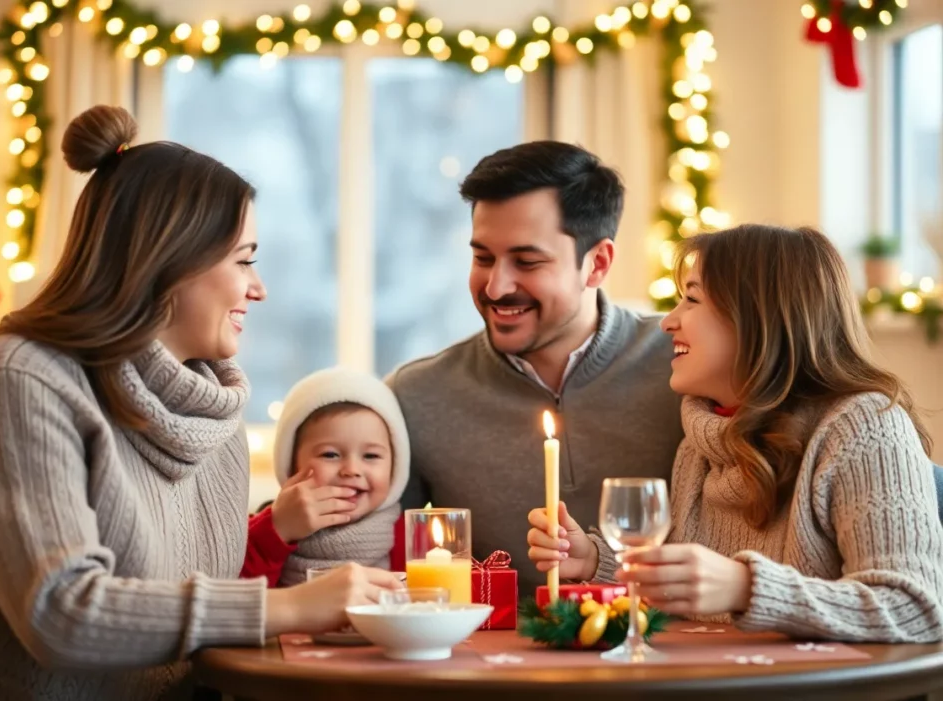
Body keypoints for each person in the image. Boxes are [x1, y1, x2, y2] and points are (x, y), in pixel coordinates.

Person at [0, 105, 400, 700]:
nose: (259, 286)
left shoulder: (214, 410)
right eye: (244, 260)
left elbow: (194, 628)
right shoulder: (20, 379)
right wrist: (291, 607)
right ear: (170, 261)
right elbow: (61, 612)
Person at [527, 224, 943, 642]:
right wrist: (593, 560)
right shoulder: (700, 444)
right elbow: (688, 591)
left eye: (691, 299)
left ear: (758, 318)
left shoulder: (866, 427)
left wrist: (746, 587)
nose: (668, 322)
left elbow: (916, 608)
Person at [388, 141, 683, 594]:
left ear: (597, 264)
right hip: (494, 659)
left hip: (663, 654)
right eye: (483, 257)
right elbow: (375, 557)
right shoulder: (416, 396)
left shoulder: (683, 367)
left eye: (527, 262)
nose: (496, 285)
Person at [240, 367, 408, 584]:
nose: (352, 469)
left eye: (371, 455)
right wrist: (278, 528)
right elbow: (232, 595)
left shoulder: (409, 537)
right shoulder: (257, 534)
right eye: (330, 454)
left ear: (396, 466)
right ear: (290, 464)